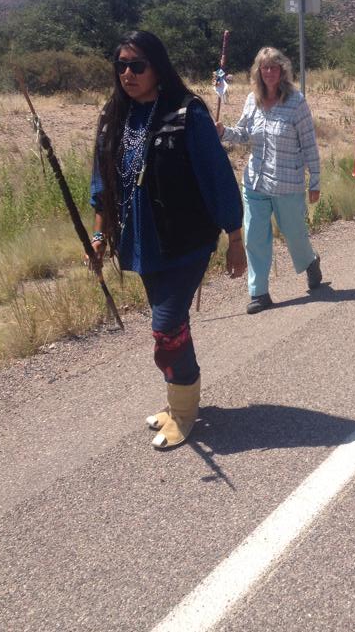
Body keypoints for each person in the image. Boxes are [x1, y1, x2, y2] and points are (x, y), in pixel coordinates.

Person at [89, 30, 246, 451]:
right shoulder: (115, 117)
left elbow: (217, 179)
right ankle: (179, 399)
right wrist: (100, 235)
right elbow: (103, 183)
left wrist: (235, 238)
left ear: (157, 67)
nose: (127, 73)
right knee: (171, 324)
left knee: (166, 327)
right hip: (140, 241)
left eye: (137, 65)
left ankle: (184, 412)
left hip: (186, 240)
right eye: (121, 65)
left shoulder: (187, 113)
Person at [216, 47, 322, 314]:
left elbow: (309, 144)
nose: (270, 72)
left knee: (294, 235)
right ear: (258, 72)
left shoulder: (296, 102)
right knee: (254, 237)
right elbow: (243, 133)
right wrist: (223, 132)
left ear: (282, 70)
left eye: (274, 67)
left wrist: (315, 181)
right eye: (265, 68)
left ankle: (309, 261)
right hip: (255, 182)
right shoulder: (253, 100)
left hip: (287, 182)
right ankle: (259, 293)